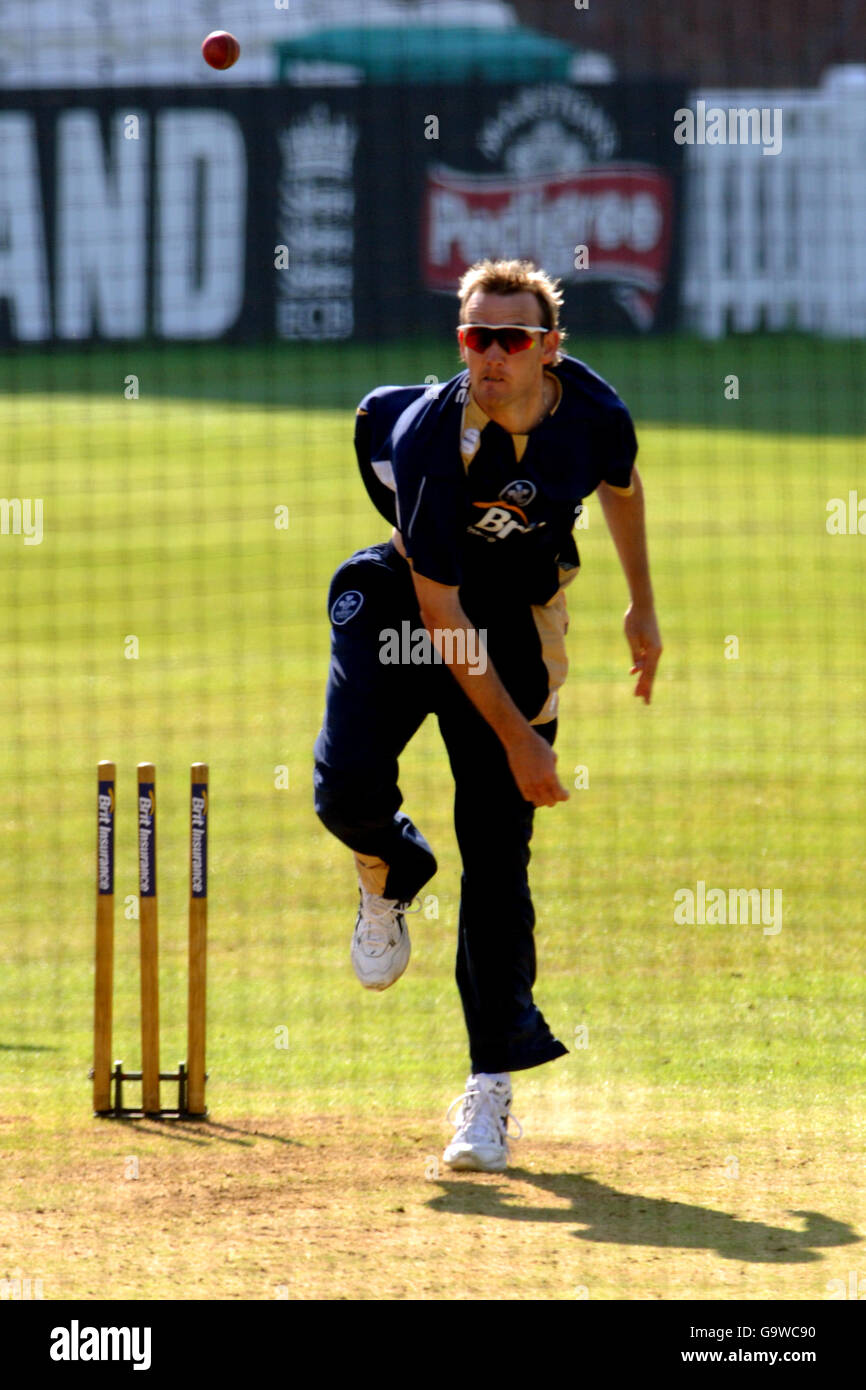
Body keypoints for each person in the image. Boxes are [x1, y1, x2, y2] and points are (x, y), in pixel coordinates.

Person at [314, 259, 662, 1172]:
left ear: (551, 348)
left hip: (514, 622)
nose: (492, 355)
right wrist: (520, 740)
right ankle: (390, 865)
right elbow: (439, 614)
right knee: (343, 786)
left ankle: (488, 1092)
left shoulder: (593, 415)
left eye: (513, 339)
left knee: (499, 854)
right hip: (413, 599)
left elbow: (621, 487)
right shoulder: (432, 433)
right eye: (476, 337)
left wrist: (641, 604)